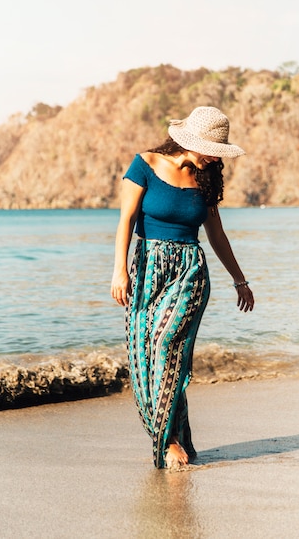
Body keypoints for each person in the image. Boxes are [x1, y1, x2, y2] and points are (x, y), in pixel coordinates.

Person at [111, 106, 254, 470]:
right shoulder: (144, 164)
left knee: (167, 345)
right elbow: (126, 219)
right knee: (144, 356)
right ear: (190, 143)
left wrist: (240, 279)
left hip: (190, 270)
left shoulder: (206, 178)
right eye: (212, 149)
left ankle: (170, 442)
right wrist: (119, 271)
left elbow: (216, 234)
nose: (215, 157)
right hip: (146, 268)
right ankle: (173, 436)